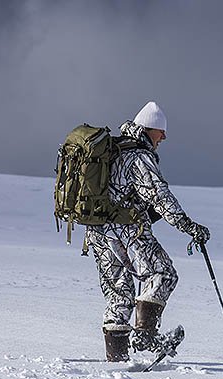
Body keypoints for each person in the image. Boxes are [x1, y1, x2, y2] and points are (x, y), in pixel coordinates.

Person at [85, 101, 210, 361]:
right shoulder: (138, 157)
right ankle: (146, 336)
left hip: (97, 233)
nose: (164, 136)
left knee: (119, 293)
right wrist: (190, 227)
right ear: (148, 129)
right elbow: (159, 196)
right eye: (160, 130)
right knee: (164, 274)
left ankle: (116, 360)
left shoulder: (115, 150)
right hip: (126, 230)